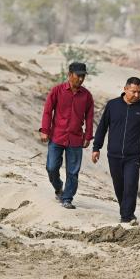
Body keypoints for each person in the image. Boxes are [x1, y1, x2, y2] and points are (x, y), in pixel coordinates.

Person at [91, 77, 140, 224]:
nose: (137, 95)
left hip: (133, 156)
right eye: (134, 91)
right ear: (125, 89)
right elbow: (102, 127)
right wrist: (96, 147)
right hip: (113, 155)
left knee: (130, 185)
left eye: (139, 92)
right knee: (119, 186)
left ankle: (126, 217)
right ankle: (127, 212)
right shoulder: (112, 105)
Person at [39, 62, 94, 210]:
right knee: (51, 167)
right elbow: (47, 111)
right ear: (69, 75)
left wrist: (88, 136)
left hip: (76, 139)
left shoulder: (87, 96)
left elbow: (89, 117)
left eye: (83, 76)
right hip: (57, 136)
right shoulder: (57, 91)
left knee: (73, 172)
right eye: (78, 75)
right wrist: (45, 130)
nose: (81, 79)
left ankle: (67, 198)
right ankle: (58, 188)